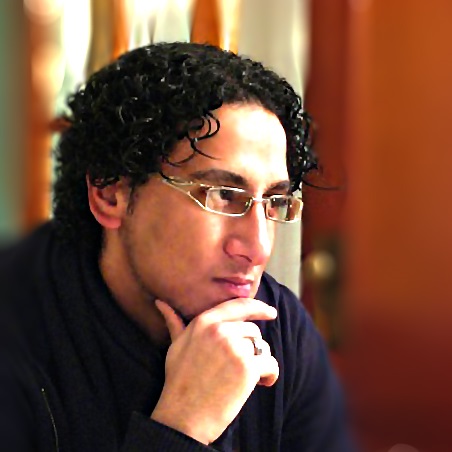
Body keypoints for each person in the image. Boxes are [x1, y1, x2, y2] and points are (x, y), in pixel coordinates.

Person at [0, 42, 352, 451]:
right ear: (110, 194)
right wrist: (182, 428)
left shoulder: (279, 328)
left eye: (274, 201)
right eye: (222, 195)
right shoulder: (16, 336)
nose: (257, 248)